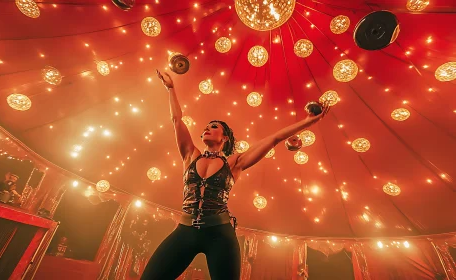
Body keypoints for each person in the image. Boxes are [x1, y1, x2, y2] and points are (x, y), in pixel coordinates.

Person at [140, 71, 329, 280]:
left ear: (225, 137)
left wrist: (308, 122)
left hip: (219, 235)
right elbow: (176, 120)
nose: (207, 129)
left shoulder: (234, 162)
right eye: (206, 127)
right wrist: (171, 88)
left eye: (214, 127)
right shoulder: (190, 155)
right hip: (185, 231)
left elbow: (274, 138)